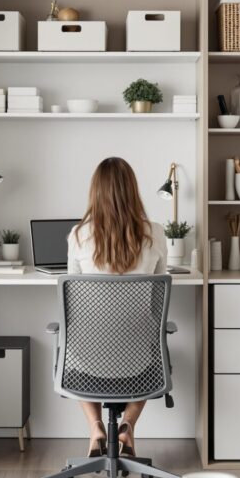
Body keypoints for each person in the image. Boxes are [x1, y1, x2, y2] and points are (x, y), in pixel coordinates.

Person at [67, 156, 168, 459]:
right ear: (133, 191)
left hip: (87, 365)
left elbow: (74, 299)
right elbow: (158, 297)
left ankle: (96, 428)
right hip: (139, 366)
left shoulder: (78, 235)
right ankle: (127, 426)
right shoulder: (155, 233)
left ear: (95, 193)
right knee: (155, 344)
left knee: (74, 342)